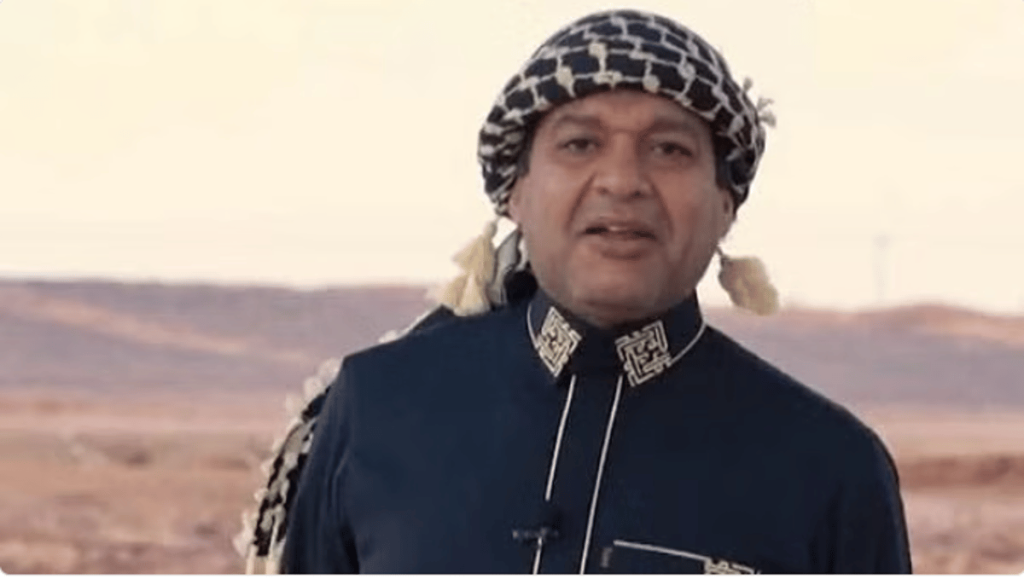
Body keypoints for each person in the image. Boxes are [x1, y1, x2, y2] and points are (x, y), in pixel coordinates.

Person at [236, 8, 912, 574]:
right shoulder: (377, 407)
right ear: (516, 192)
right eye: (580, 144)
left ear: (725, 203)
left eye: (670, 150)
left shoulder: (830, 467)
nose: (623, 181)